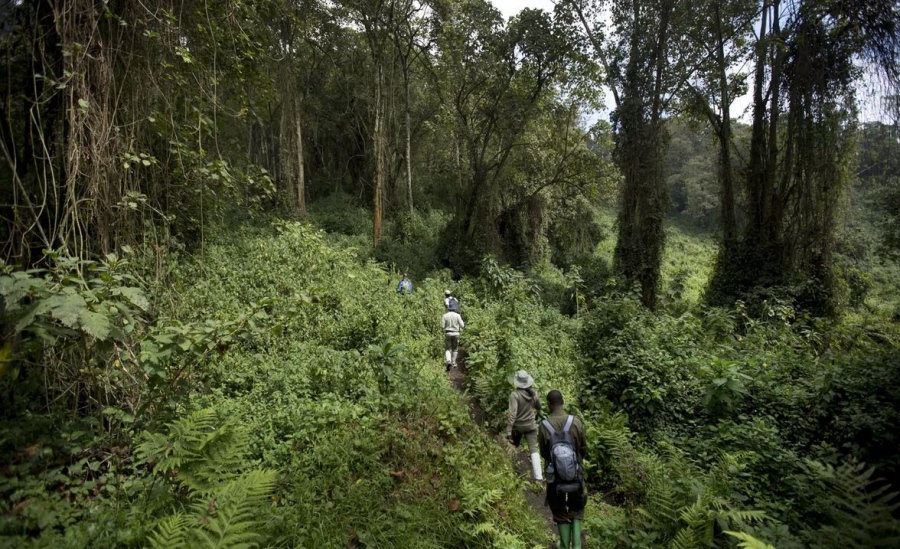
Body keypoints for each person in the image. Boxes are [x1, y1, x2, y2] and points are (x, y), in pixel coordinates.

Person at [539, 390, 587, 549]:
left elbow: (544, 453)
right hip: (576, 475)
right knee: (577, 508)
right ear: (563, 401)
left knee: (559, 511)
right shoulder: (576, 422)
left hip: (555, 479)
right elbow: (583, 449)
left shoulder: (544, 426)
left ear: (549, 404)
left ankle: (565, 546)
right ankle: (577, 546)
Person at [505, 370, 543, 481]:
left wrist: (508, 430)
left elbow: (512, 414)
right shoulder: (534, 394)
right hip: (531, 426)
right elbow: (539, 407)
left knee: (513, 446)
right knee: (534, 450)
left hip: (518, 427)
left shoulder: (515, 395)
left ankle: (513, 471)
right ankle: (539, 477)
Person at [441, 303, 464, 372]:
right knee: (455, 349)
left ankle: (448, 360)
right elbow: (462, 325)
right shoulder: (458, 315)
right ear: (455, 308)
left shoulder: (444, 316)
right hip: (456, 333)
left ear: (448, 308)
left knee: (448, 349)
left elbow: (442, 326)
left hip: (448, 333)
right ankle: (453, 362)